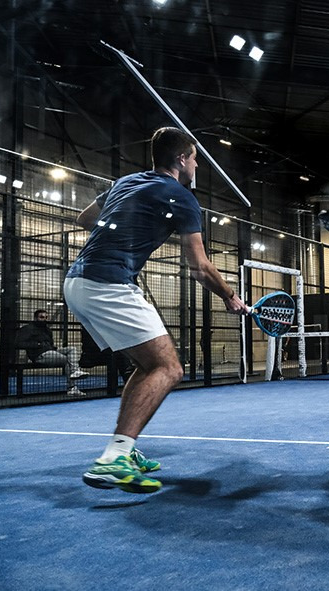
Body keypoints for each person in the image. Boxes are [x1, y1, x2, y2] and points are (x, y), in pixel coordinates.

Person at [64, 127, 248, 494]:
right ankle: (114, 459)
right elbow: (199, 266)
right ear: (182, 160)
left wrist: (130, 231)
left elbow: (85, 219)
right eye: (195, 158)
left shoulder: (127, 182)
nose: (196, 165)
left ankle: (124, 451)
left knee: (147, 365)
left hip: (77, 281)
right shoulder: (181, 197)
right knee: (169, 367)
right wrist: (231, 296)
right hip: (107, 282)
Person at [15, 308, 89, 396]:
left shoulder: (47, 330)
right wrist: (37, 345)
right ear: (35, 318)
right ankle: (72, 387)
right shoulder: (28, 329)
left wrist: (53, 348)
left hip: (51, 351)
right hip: (39, 355)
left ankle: (75, 371)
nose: (45, 319)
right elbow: (18, 344)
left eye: (46, 317)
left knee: (72, 349)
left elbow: (51, 344)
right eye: (42, 317)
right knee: (69, 360)